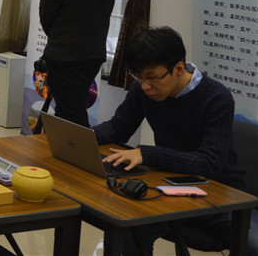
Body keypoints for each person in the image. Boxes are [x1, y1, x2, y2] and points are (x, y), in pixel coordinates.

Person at [95, 26, 245, 254]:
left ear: (178, 68)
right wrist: (79, 136)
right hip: (170, 185)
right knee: (126, 222)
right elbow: (118, 128)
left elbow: (209, 163)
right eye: (138, 77)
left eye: (152, 78)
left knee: (250, 242)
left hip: (219, 194)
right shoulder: (143, 89)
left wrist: (147, 154)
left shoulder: (216, 98)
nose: (145, 86)